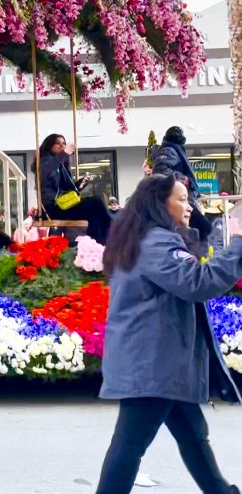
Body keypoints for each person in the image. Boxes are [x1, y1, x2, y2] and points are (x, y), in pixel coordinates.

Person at [94, 174, 242, 494]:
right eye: (182, 199)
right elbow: (198, 284)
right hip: (152, 364)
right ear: (161, 204)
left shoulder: (142, 238)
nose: (189, 207)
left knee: (193, 434)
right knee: (129, 446)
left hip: (158, 362)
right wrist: (239, 245)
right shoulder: (157, 241)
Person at [36, 134, 111, 244]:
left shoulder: (60, 165)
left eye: (64, 143)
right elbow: (48, 169)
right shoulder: (45, 161)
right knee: (95, 202)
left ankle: (98, 242)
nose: (62, 146)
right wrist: (64, 154)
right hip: (54, 207)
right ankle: (108, 235)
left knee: (93, 212)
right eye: (58, 143)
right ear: (50, 146)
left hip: (63, 205)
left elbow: (68, 189)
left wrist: (81, 183)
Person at [153, 126, 213, 242]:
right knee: (205, 229)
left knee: (201, 231)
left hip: (184, 199)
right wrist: (181, 178)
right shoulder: (168, 150)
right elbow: (160, 170)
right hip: (181, 200)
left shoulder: (172, 149)